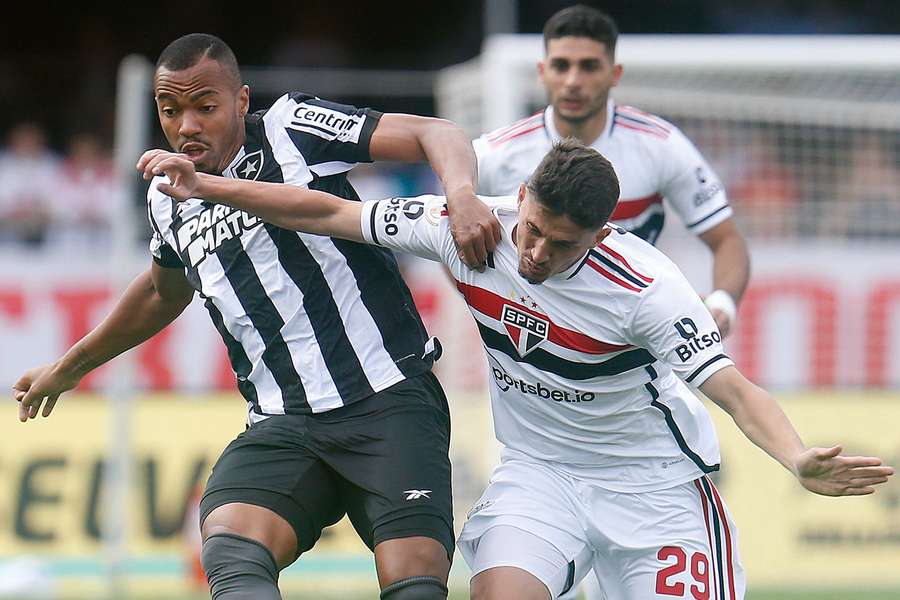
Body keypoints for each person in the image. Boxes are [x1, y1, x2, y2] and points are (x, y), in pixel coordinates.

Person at [136, 138, 893, 600]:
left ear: (601, 235)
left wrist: (796, 456)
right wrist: (208, 187)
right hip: (541, 475)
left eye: (560, 246)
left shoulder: (649, 289)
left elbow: (733, 387)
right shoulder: (469, 228)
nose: (533, 255)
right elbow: (325, 211)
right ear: (521, 196)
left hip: (655, 488)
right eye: (530, 230)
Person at [13, 33, 500, 600]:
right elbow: (161, 292)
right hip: (284, 422)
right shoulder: (166, 195)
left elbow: (434, 132)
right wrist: (70, 368)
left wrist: (462, 194)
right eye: (170, 111)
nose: (187, 125)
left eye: (205, 107)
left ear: (242, 102)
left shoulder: (290, 128)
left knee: (414, 582)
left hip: (387, 402)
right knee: (230, 542)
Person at [474, 5, 751, 337]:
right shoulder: (496, 152)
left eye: (589, 67)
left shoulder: (660, 145)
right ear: (542, 71)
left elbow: (726, 239)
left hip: (633, 332)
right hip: (533, 333)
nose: (573, 81)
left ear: (614, 74)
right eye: (561, 66)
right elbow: (451, 228)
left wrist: (722, 303)